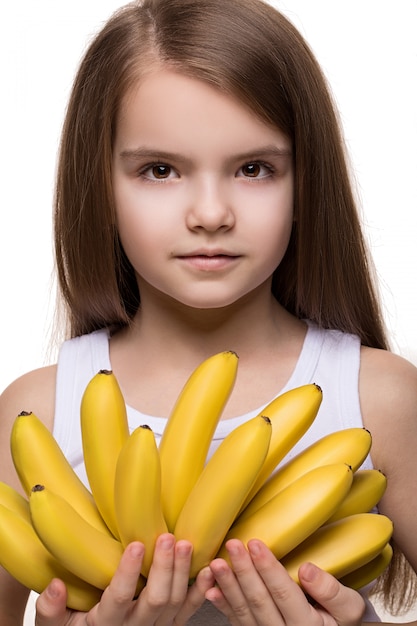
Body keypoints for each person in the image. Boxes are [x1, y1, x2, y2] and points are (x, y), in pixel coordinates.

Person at [0, 0, 416, 624]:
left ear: (305, 184)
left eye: (254, 168)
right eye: (160, 170)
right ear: (101, 189)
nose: (211, 212)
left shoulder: (380, 398)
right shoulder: (39, 413)